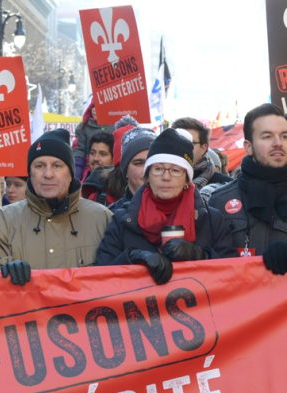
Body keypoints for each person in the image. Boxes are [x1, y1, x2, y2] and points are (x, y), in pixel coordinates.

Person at [96, 129, 236, 284]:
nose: (166, 177)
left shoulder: (211, 219)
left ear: (187, 180)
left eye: (175, 170)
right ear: (147, 177)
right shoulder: (123, 220)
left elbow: (232, 275)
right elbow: (101, 277)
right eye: (158, 169)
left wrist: (200, 256)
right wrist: (133, 257)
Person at [0, 128, 113, 285]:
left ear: (70, 174)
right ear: (30, 173)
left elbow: (118, 279)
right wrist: (2, 270)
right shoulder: (1, 222)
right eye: (39, 166)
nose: (48, 174)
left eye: (57, 165)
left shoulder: (102, 218)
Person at [208, 104, 287, 268]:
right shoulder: (220, 200)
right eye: (267, 136)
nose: (278, 143)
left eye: (285, 136)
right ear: (248, 147)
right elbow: (208, 262)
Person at [171, 117, 233, 187]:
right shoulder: (158, 180)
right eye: (177, 142)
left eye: (190, 143)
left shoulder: (226, 186)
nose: (182, 147)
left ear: (203, 148)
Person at [107, 125, 157, 210]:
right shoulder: (111, 216)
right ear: (125, 171)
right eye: (139, 163)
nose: (146, 170)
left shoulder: (177, 211)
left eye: (152, 163)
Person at [73, 97, 112, 181]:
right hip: (88, 172)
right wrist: (77, 168)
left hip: (112, 173)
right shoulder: (83, 127)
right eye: (93, 106)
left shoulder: (116, 126)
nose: (94, 110)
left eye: (98, 106)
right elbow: (78, 149)